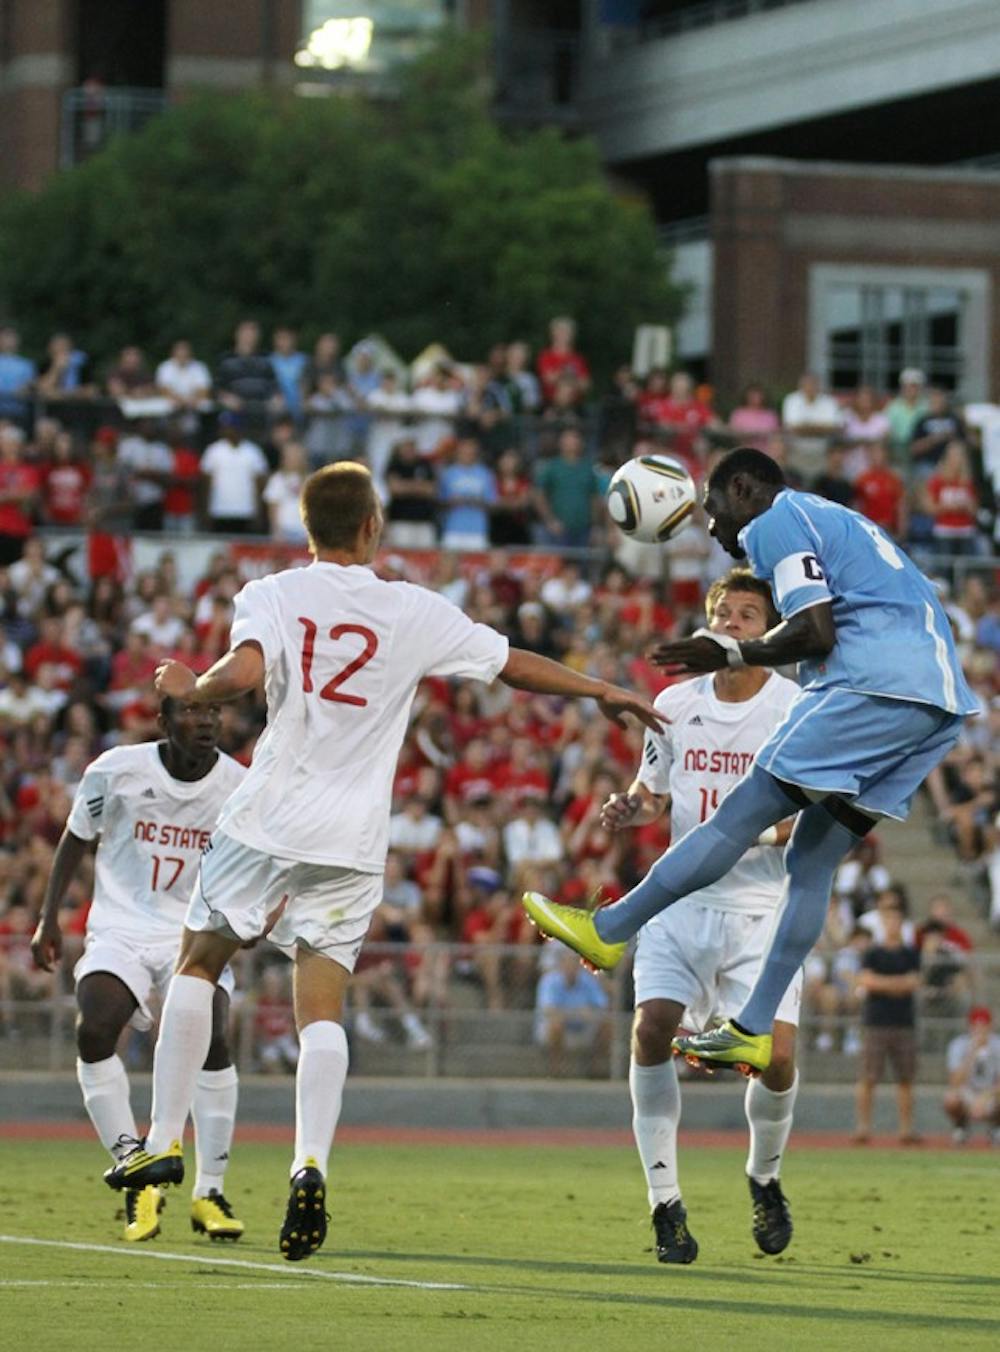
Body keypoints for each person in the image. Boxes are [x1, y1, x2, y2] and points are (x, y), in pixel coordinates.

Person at [104, 461, 663, 1262]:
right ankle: (309, 1164)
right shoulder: (413, 610)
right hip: (353, 840)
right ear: (373, 528)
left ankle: (161, 1138)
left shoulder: (273, 594)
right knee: (321, 1008)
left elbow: (242, 674)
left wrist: (195, 687)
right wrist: (600, 687)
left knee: (198, 964)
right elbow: (512, 664)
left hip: (267, 819)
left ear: (307, 529)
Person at [523, 446, 977, 1079]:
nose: (712, 529)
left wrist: (731, 656)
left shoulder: (775, 520)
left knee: (742, 811)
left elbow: (814, 631)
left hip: (875, 685)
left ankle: (611, 926)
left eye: (712, 510)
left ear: (742, 489)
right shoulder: (832, 519)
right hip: (936, 702)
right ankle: (754, 1029)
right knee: (813, 856)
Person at [598, 568, 800, 1263]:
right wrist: (634, 808)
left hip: (760, 909)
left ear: (770, 630)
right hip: (679, 901)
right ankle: (666, 1206)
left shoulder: (796, 709)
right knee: (651, 1028)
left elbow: (823, 815)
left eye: (750, 615)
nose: (735, 623)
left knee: (776, 1061)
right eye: (725, 612)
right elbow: (654, 789)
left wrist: (754, 835)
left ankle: (764, 1178)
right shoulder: (675, 703)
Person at [30, 697, 247, 1244]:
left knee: (215, 1040)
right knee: (95, 1027)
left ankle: (209, 1192)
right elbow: (76, 837)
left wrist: (259, 914)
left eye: (213, 717)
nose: (206, 726)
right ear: (164, 723)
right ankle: (136, 1168)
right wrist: (48, 918)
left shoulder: (241, 785)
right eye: (193, 717)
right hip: (121, 928)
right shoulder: (115, 770)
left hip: (194, 934)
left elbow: (260, 858)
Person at [853, 893, 921, 1143]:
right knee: (868, 1077)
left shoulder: (910, 953)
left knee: (905, 1078)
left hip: (903, 1022)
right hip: (876, 1022)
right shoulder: (873, 953)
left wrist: (882, 984)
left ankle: (905, 1129)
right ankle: (863, 1127)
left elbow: (913, 983)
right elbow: (867, 980)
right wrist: (897, 984)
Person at [944, 1007, 1000, 1146]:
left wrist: (986, 1096)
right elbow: (954, 1081)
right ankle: (960, 1127)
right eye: (976, 1025)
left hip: (991, 1092)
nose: (979, 1030)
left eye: (983, 1025)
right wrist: (972, 1052)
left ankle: (996, 1128)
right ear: (970, 1026)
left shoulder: (997, 1045)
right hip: (968, 1093)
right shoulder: (959, 1044)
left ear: (990, 1025)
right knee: (951, 1098)